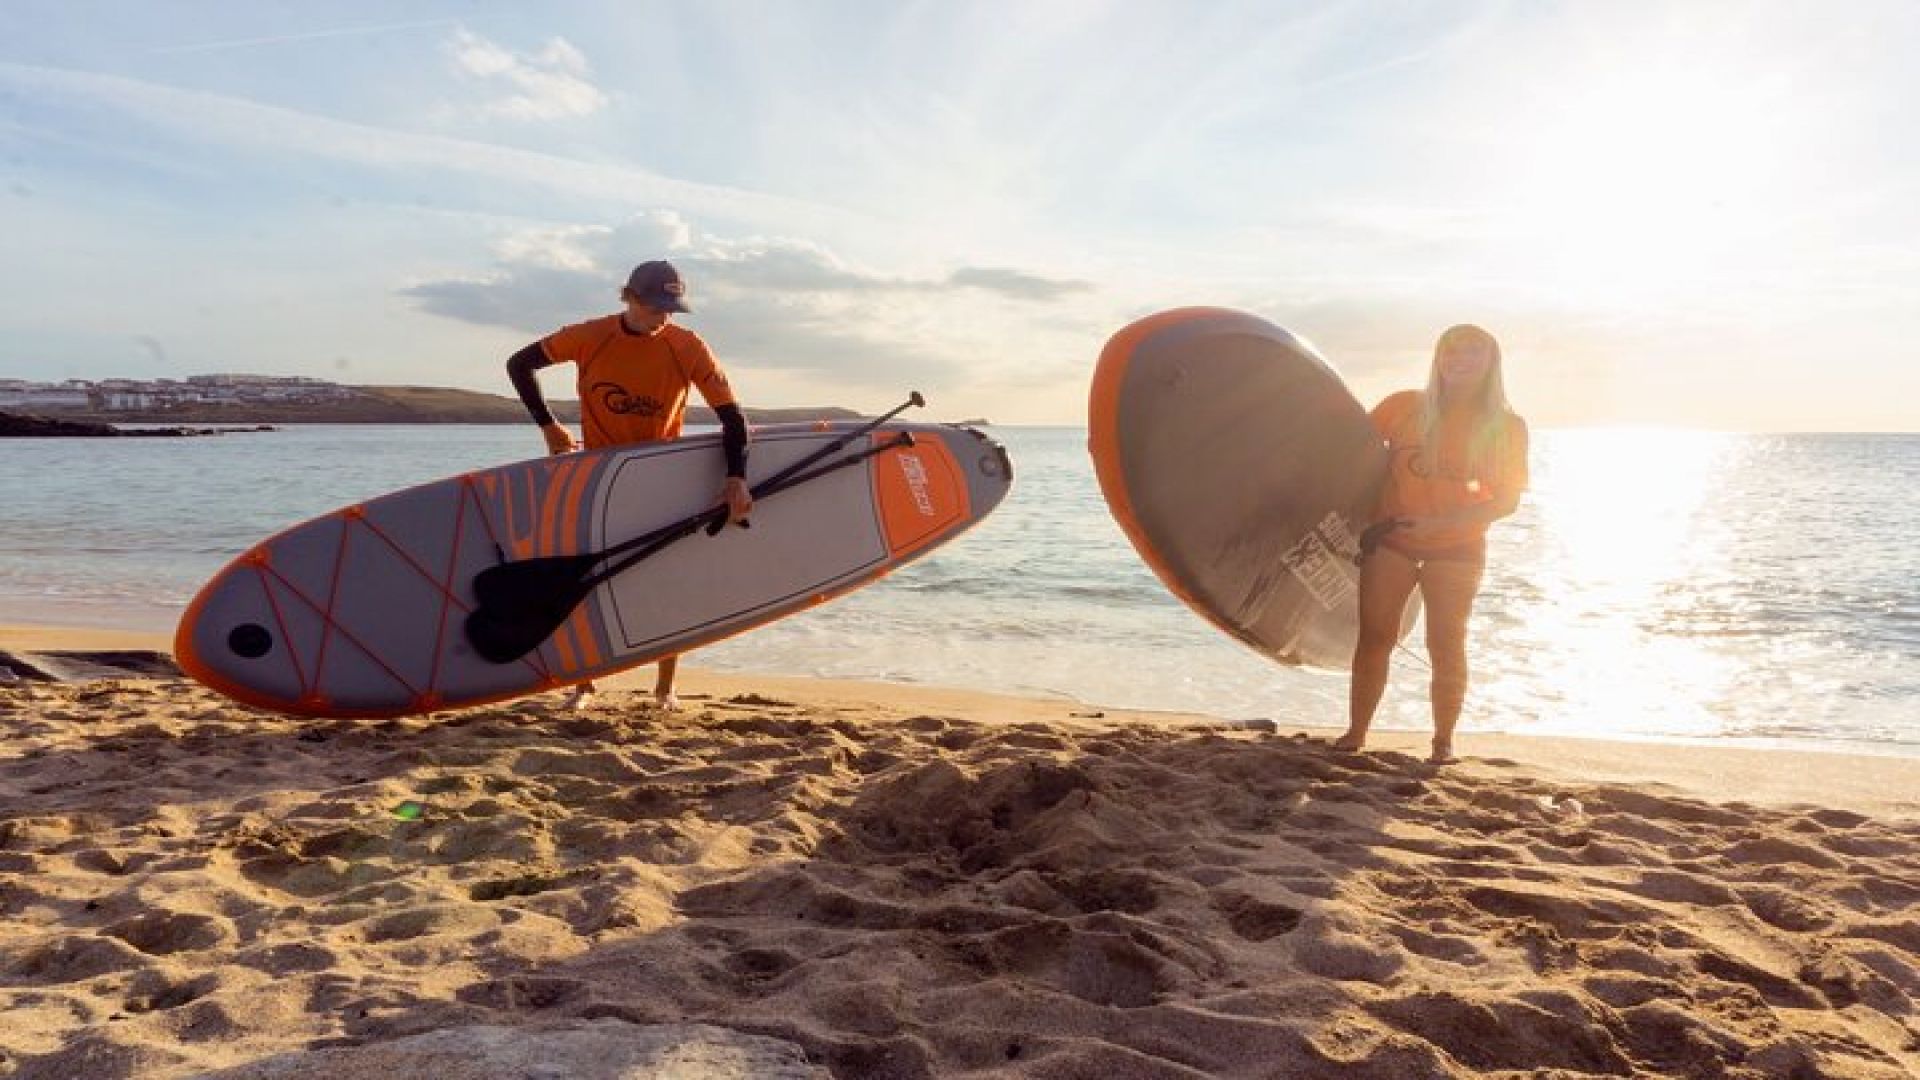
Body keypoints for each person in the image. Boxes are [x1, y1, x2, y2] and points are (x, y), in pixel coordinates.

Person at [505, 259, 752, 710]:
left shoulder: (688, 346)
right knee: (586, 579)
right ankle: (585, 685)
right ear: (630, 298)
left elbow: (733, 418)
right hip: (597, 473)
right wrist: (549, 426)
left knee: (666, 579)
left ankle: (664, 689)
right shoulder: (589, 336)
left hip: (659, 472)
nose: (664, 316)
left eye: (672, 308)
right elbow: (520, 365)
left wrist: (736, 478)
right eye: (657, 305)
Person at [1335, 324, 1528, 764]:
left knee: (1446, 642)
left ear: (1491, 364)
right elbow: (1348, 452)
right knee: (1375, 636)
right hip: (1393, 538)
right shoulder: (1404, 406)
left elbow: (1506, 500)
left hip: (1458, 547)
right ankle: (1356, 732)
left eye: (1472, 353)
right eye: (1451, 351)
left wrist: (1445, 522)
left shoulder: (1507, 427)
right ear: (1438, 358)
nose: (1459, 360)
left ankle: (1443, 741)